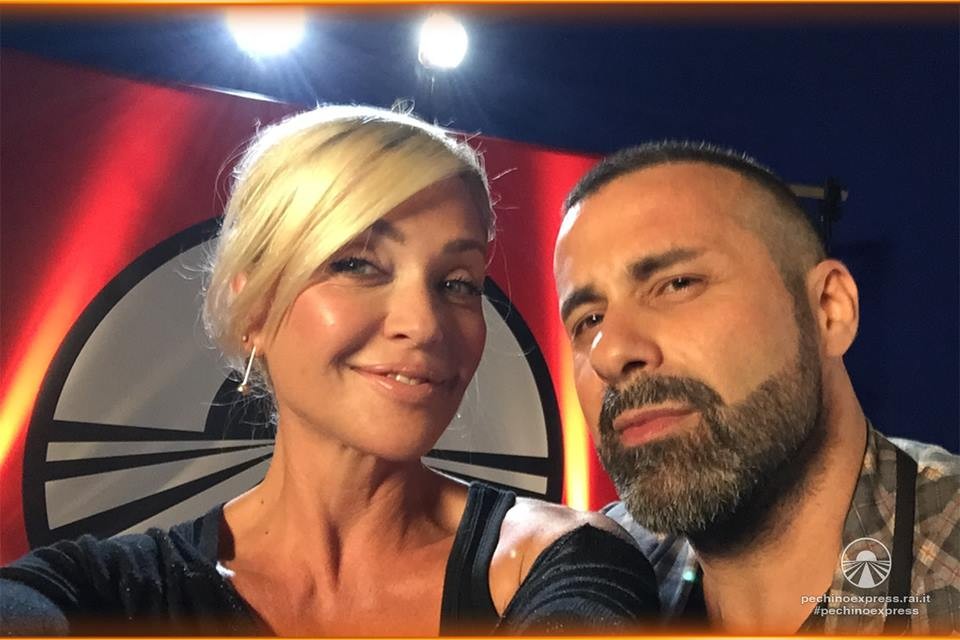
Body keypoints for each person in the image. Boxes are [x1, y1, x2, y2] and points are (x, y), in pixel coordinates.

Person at [0, 106, 659, 636]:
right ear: (256, 309)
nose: (425, 323)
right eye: (356, 264)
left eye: (458, 282)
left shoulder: (561, 564)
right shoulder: (98, 590)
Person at [552, 141, 959, 635]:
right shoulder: (592, 570)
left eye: (678, 284)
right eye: (588, 320)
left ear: (828, 311)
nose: (609, 352)